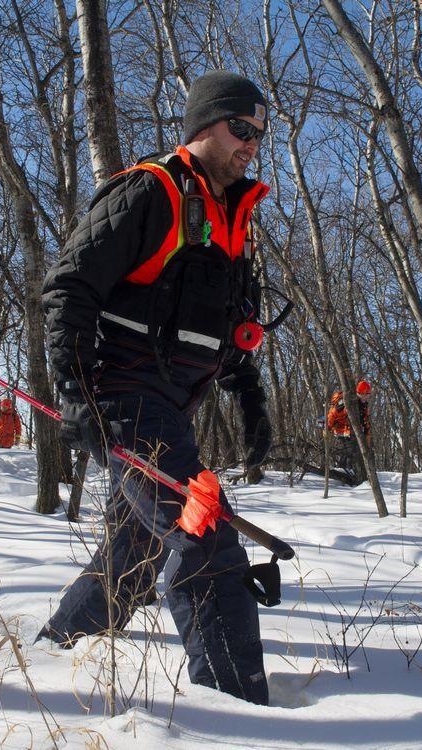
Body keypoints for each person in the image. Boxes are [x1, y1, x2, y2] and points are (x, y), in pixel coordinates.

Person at [38, 71, 273, 704]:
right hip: (123, 393)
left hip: (172, 402)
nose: (252, 143)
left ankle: (56, 644)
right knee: (203, 531)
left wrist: (250, 399)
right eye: (240, 128)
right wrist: (75, 390)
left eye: (259, 131)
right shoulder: (150, 192)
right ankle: (244, 715)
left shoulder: (231, 220)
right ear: (203, 127)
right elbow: (69, 289)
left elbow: (221, 330)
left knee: (136, 547)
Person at [325, 380, 372, 485]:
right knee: (348, 453)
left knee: (352, 453)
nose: (367, 396)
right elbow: (332, 415)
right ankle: (341, 478)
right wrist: (327, 428)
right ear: (361, 393)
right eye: (366, 394)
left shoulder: (363, 405)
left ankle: (350, 476)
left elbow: (365, 421)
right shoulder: (347, 402)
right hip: (342, 430)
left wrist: (367, 437)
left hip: (353, 432)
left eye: (368, 394)